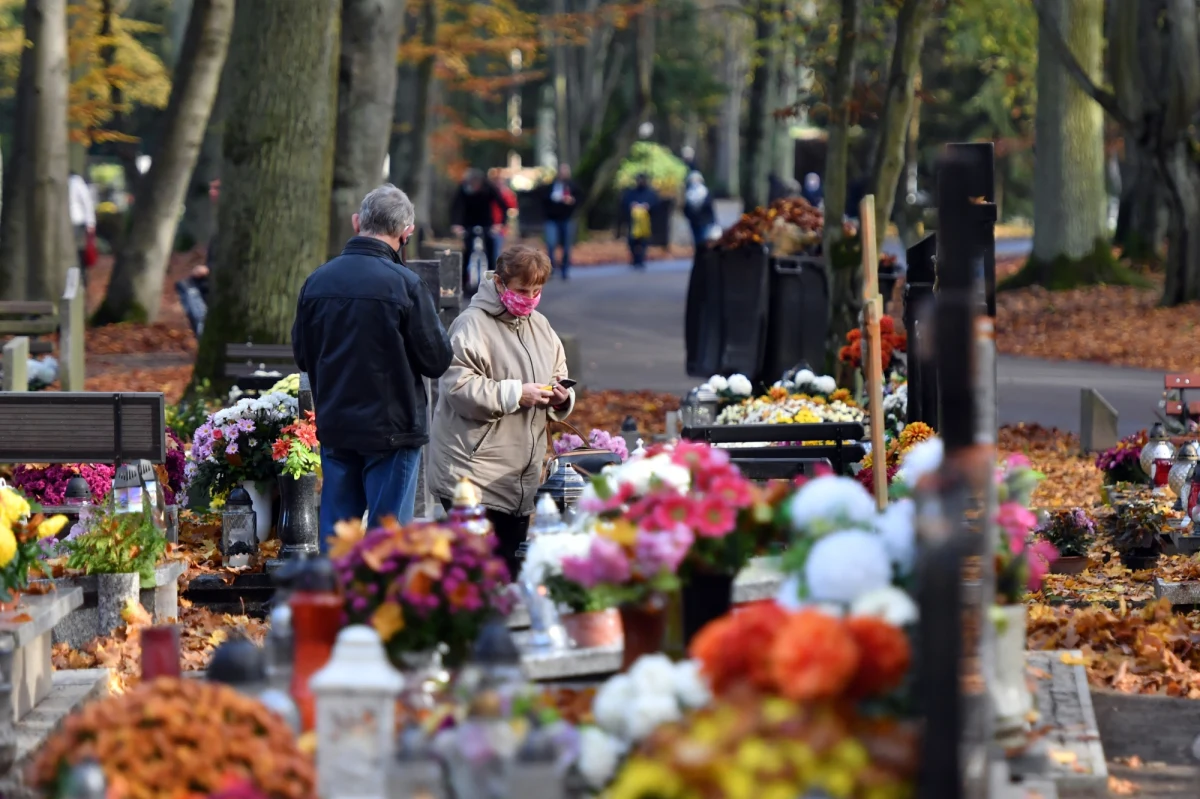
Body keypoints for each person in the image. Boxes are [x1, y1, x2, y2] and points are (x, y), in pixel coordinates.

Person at [293, 184, 453, 543]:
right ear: (405, 232)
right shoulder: (406, 285)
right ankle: (381, 599)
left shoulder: (316, 281)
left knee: (337, 539)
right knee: (388, 541)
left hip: (337, 425)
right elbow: (437, 360)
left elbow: (303, 356)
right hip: (393, 428)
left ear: (357, 223)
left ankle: (334, 598)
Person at [428, 245, 576, 576]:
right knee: (474, 578)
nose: (531, 298)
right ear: (500, 283)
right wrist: (515, 394)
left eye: (537, 291)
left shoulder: (541, 327)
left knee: (509, 573)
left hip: (518, 479)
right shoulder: (471, 325)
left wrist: (560, 399)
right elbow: (457, 388)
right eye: (523, 290)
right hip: (472, 474)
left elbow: (558, 374)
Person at [450, 169, 503, 286]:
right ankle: (463, 283)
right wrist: (456, 224)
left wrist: (500, 224)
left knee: (491, 252)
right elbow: (456, 206)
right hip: (468, 222)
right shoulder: (463, 188)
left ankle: (493, 282)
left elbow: (502, 204)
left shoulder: (489, 188)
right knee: (467, 252)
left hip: (487, 223)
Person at [541, 163, 579, 279]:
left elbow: (579, 200)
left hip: (567, 219)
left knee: (567, 245)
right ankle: (551, 268)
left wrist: (571, 201)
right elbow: (543, 199)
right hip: (552, 219)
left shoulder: (572, 186)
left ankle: (565, 270)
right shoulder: (551, 186)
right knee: (551, 244)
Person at [620, 173, 658, 270]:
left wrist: (648, 206)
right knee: (632, 241)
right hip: (633, 222)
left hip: (646, 222)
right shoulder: (631, 193)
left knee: (644, 242)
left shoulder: (650, 193)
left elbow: (656, 204)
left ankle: (640, 260)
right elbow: (625, 202)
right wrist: (632, 206)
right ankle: (635, 259)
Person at [68, 171, 95, 277]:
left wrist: (90, 222)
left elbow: (86, 202)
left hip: (76, 222)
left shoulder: (75, 181)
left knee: (78, 253)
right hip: (74, 221)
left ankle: (80, 277)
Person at [488, 168, 517, 263]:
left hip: (500, 226)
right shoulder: (488, 193)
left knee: (496, 250)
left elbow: (512, 209)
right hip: (488, 224)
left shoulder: (507, 194)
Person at [682, 171, 716, 249]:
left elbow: (709, 207)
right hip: (694, 222)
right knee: (697, 241)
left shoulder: (705, 192)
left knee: (704, 240)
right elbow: (685, 208)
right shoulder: (688, 194)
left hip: (705, 222)